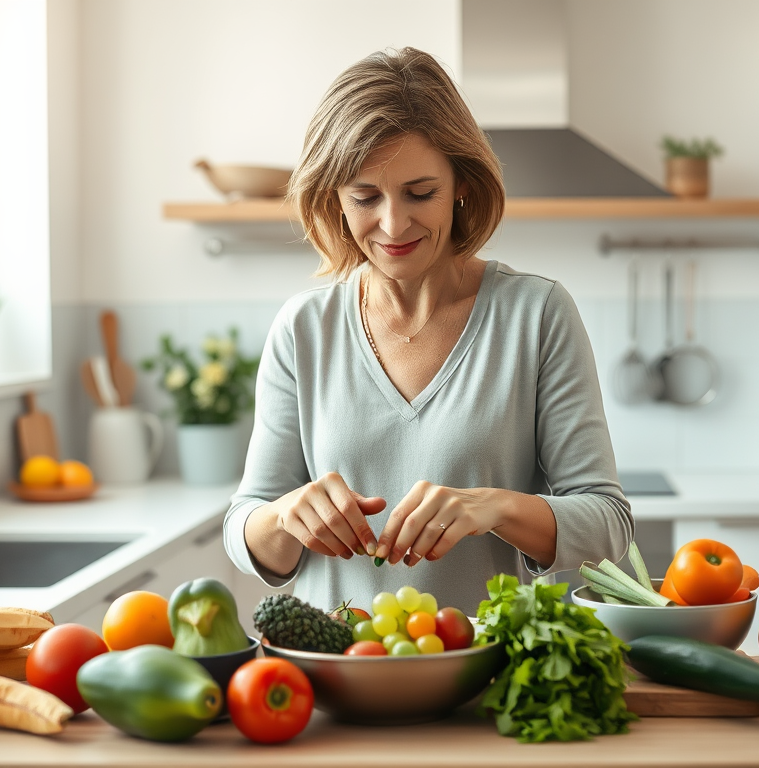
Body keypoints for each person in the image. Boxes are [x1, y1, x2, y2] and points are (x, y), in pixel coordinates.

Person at [224, 46, 632, 616]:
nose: (393, 224)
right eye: (365, 197)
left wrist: (494, 507)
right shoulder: (303, 328)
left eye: (420, 193)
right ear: (335, 200)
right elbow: (244, 528)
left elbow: (608, 526)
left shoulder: (536, 314)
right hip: (334, 679)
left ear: (461, 184)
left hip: (486, 682)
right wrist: (285, 515)